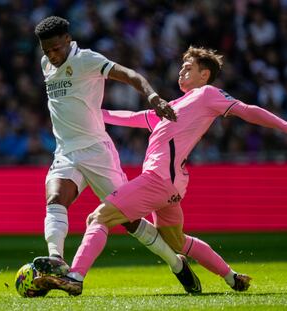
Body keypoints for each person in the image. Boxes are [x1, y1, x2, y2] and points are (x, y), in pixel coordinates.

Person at [33, 46, 287, 296]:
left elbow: (247, 111)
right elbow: (131, 117)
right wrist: (83, 113)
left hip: (157, 180)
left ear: (205, 75)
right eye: (181, 67)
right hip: (171, 185)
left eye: (188, 68)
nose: (181, 72)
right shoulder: (173, 106)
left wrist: (284, 125)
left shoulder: (207, 94)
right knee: (178, 242)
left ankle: (75, 276)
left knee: (98, 218)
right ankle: (232, 277)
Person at [31, 16, 201, 294]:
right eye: (46, 50)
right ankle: (56, 260)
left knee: (130, 221)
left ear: (67, 40)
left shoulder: (87, 60)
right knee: (55, 198)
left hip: (97, 152)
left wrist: (153, 97)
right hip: (65, 151)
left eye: (56, 48)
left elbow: (131, 75)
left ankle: (176, 262)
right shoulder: (46, 64)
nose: (52, 54)